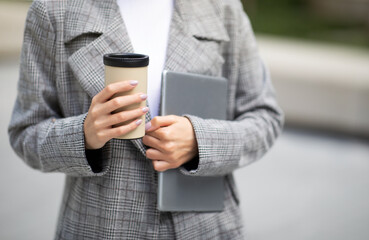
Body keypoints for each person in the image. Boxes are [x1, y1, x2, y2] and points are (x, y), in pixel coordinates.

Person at [8, 0, 284, 239]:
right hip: (101, 226)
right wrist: (84, 134)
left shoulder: (222, 8)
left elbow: (265, 116)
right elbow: (26, 132)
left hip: (204, 226)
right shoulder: (54, 10)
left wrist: (200, 141)